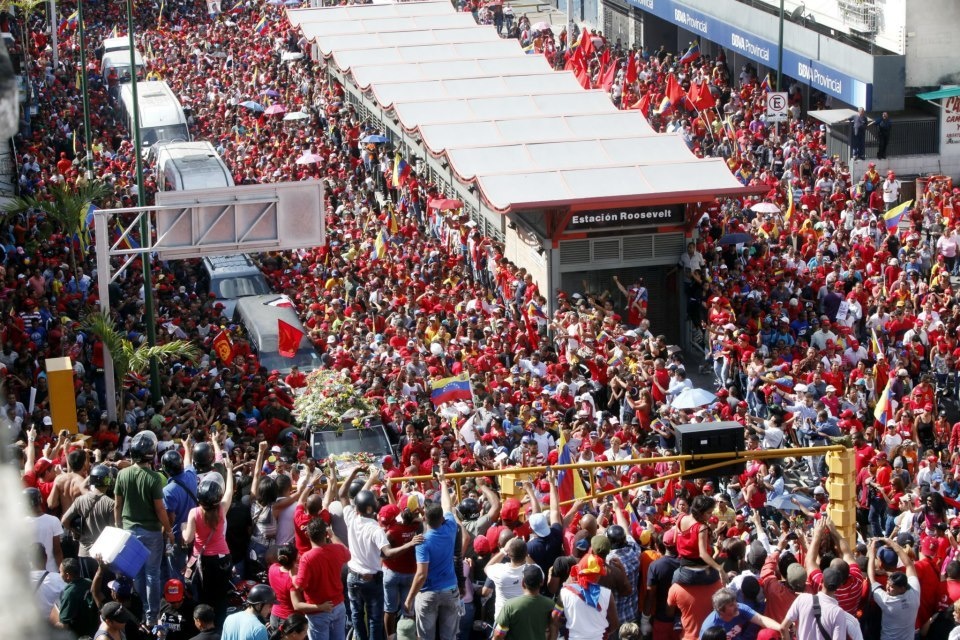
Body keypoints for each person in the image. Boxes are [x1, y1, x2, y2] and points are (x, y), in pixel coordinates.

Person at [340, 467, 422, 640]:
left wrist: (357, 474)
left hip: (352, 577)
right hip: (371, 579)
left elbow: (342, 494)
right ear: (371, 508)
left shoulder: (351, 518)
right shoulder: (376, 530)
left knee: (356, 615)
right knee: (374, 618)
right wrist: (410, 544)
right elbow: (388, 554)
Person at [114, 430, 175, 625]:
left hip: (129, 531)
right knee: (153, 574)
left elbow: (117, 505)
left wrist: (118, 528)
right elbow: (160, 508)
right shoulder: (155, 478)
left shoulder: (122, 474)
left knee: (138, 574)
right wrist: (169, 530)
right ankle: (152, 616)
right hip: (151, 533)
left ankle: (143, 611)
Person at [405, 470, 461, 640]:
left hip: (428, 593)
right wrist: (443, 481)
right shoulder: (451, 528)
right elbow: (447, 505)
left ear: (425, 517)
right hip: (450, 590)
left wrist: (409, 598)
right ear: (442, 518)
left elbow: (421, 574)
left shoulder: (422, 541)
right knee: (449, 637)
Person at [182, 459, 234, 628]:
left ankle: (203, 626)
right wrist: (229, 470)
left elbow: (188, 538)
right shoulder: (221, 510)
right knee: (220, 597)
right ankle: (219, 628)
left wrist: (183, 528)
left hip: (201, 561)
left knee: (203, 597)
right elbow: (229, 492)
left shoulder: (194, 513)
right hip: (222, 559)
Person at [294, 517, 350, 640]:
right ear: (326, 533)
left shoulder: (307, 558)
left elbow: (299, 586)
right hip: (338, 606)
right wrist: (333, 535)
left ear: (307, 534)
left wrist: (291, 574)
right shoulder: (337, 550)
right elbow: (347, 554)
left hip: (318, 611)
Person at [62, 463, 116, 577]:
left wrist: (77, 532)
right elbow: (114, 531)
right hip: (103, 555)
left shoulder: (80, 500)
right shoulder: (111, 504)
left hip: (84, 552)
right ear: (108, 481)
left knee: (88, 589)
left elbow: (64, 521)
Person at [781, 567, 863, 640]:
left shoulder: (802, 599)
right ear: (839, 586)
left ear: (822, 581)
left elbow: (783, 628)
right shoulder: (838, 613)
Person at [868, 537, 921, 640]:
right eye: (888, 584)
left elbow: (871, 579)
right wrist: (891, 543)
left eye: (892, 587)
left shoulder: (887, 601)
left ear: (902, 588)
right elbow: (909, 565)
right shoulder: (914, 593)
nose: (887, 588)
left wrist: (871, 555)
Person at [556, 552, 618, 640]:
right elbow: (614, 624)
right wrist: (600, 633)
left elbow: (554, 618)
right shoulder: (607, 594)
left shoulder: (565, 593)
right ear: (597, 575)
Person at [493, 564, 557, 640]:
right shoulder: (550, 604)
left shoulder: (510, 605)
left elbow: (499, 634)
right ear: (542, 582)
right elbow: (554, 630)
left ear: (523, 583)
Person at [698, 588, 780, 639]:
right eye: (731, 605)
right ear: (721, 610)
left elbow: (761, 619)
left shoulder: (741, 608)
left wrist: (782, 628)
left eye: (735, 601)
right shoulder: (709, 628)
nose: (736, 606)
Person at [482, 537, 532, 622]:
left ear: (508, 554)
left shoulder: (499, 571)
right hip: (522, 620)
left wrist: (504, 550)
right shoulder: (532, 571)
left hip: (502, 620)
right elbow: (537, 568)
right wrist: (523, 550)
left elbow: (487, 568)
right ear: (526, 553)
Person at [51, 557, 99, 637]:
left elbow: (64, 624)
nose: (59, 574)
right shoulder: (89, 582)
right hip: (93, 630)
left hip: (79, 634)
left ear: (67, 575)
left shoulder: (69, 593)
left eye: (60, 572)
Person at [25, 486, 63, 573]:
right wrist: (61, 572)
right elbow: (57, 550)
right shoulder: (53, 521)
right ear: (40, 500)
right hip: (51, 571)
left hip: (30, 574)